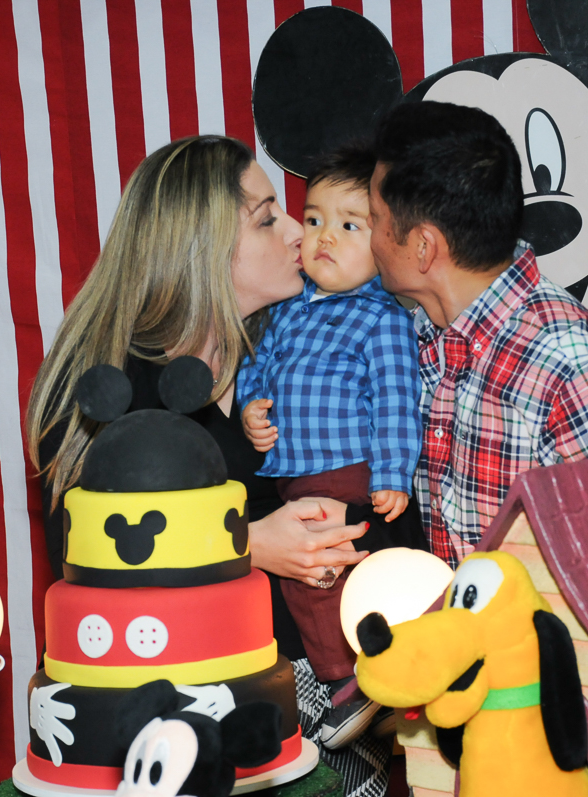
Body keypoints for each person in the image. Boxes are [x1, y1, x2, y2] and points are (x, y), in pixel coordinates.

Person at [25, 135, 412, 794]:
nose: (297, 230)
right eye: (267, 217)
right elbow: (80, 535)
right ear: (201, 245)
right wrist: (249, 543)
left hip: (341, 704)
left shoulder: (289, 350)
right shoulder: (112, 384)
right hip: (186, 724)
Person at [367, 101, 588, 567]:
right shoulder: (414, 335)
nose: (368, 238)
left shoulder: (578, 375)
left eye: (374, 219)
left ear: (423, 246)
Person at [237, 146, 422, 749]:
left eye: (350, 226)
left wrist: (393, 473)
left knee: (328, 576)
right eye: (313, 220)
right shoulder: (288, 311)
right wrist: (251, 408)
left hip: (348, 471)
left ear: (384, 244)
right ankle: (348, 679)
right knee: (310, 581)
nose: (322, 237)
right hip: (292, 475)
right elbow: (259, 367)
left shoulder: (381, 318)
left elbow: (397, 398)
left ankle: (352, 679)